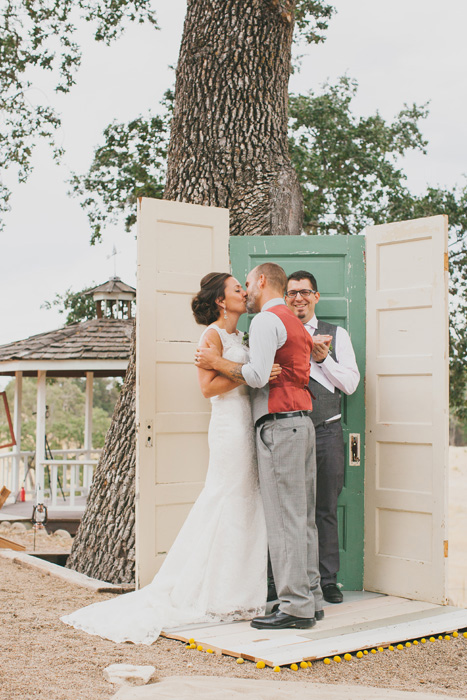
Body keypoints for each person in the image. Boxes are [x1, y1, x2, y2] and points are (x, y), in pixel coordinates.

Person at [61, 272, 271, 644]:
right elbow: (207, 389)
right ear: (222, 301)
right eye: (237, 288)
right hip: (228, 428)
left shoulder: (242, 336)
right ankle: (209, 593)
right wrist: (250, 375)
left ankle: (239, 594)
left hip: (247, 424)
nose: (244, 291)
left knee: (246, 504)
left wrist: (250, 373)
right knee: (225, 499)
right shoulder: (212, 336)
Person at [196, 263, 324, 630]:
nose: (247, 290)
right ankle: (311, 599)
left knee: (285, 521)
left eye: (248, 283)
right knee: (303, 519)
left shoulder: (267, 321)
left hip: (281, 424)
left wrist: (216, 362)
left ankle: (295, 606)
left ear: (262, 281)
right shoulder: (294, 321)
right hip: (301, 422)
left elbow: (255, 375)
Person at [285, 270, 360, 604]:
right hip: (289, 429)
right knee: (290, 509)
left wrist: (323, 359)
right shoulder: (279, 333)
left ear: (315, 296)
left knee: (325, 507)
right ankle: (290, 579)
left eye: (304, 292)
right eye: (291, 293)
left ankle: (328, 580)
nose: (298, 298)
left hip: (327, 429)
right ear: (285, 298)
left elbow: (351, 383)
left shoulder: (337, 334)